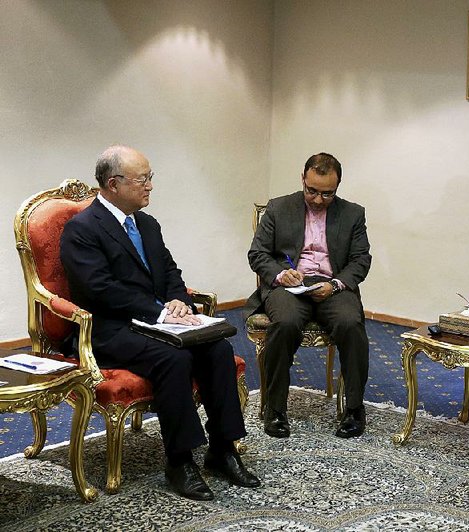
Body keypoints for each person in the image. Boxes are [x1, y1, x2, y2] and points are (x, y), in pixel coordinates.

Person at [60, 145, 260, 501]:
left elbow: (169, 270)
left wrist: (178, 301)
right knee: (174, 359)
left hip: (158, 323)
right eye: (143, 179)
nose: (150, 185)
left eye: (150, 177)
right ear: (113, 184)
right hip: (108, 328)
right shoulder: (83, 229)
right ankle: (179, 461)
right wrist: (159, 313)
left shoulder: (147, 223)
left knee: (216, 349)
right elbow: (98, 289)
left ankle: (222, 449)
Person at [245, 152, 372, 439]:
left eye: (327, 194)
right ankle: (275, 409)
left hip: (333, 286)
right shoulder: (279, 208)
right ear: (303, 179)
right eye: (311, 191)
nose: (317, 199)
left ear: (337, 187)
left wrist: (337, 284)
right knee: (286, 323)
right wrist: (280, 274)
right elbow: (258, 254)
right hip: (290, 285)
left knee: (351, 324)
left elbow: (361, 260)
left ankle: (353, 409)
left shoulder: (353, 213)